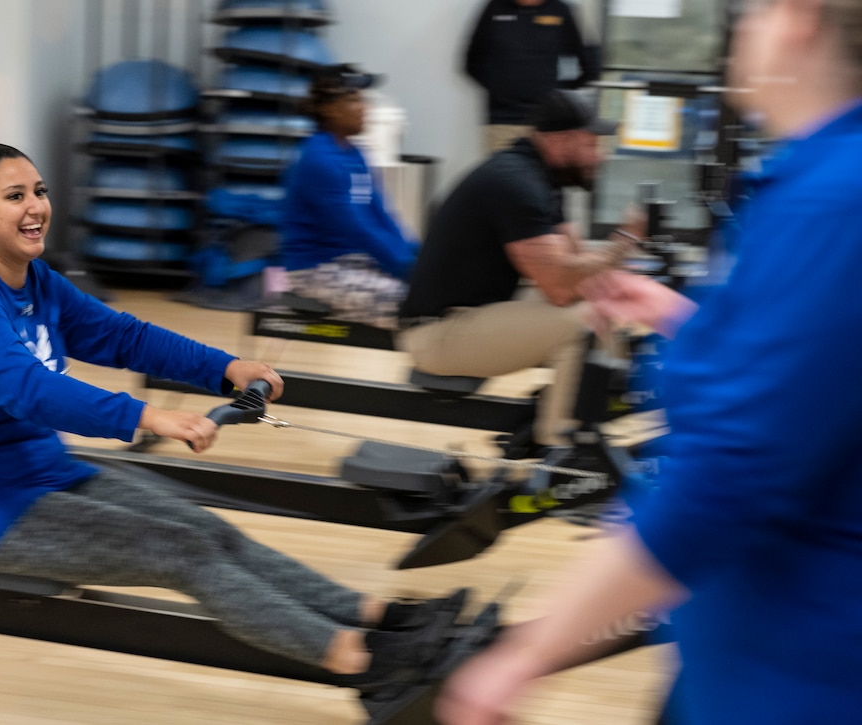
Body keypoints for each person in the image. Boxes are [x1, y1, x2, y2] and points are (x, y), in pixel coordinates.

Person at [0, 137, 467, 684]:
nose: (36, 208)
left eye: (40, 191)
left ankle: (377, 616)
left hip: (49, 474)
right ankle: (362, 663)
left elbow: (125, 336)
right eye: (15, 196)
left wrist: (226, 369)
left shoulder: (37, 282)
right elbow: (28, 390)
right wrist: (148, 417)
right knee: (182, 552)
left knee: (206, 530)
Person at [436, 0, 862, 722]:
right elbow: (806, 373)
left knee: (574, 322)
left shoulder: (834, 196)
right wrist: (671, 312)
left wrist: (529, 652)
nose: (736, 31)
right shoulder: (818, 180)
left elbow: (731, 469)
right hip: (743, 643)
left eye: (749, 13)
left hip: (795, 673)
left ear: (796, 18)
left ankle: (554, 446)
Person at [399, 89, 637, 450]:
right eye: (592, 144)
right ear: (561, 141)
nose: (600, 157)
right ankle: (563, 460)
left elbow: (577, 272)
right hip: (437, 334)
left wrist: (614, 265)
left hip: (471, 316)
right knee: (588, 324)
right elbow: (559, 285)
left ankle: (556, 425)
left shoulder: (545, 179)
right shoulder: (515, 182)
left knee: (599, 311)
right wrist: (623, 244)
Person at [281, 64, 419, 330]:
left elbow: (381, 215)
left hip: (351, 260)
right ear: (330, 109)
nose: (365, 107)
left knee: (432, 291)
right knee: (413, 304)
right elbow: (358, 230)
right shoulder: (318, 159)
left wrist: (419, 256)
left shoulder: (355, 154)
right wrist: (408, 269)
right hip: (314, 271)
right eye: (354, 99)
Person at [464, 0, 598, 153]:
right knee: (503, 174)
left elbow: (589, 67)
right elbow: (472, 63)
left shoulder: (560, 10)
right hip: (502, 123)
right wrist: (500, 90)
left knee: (543, 177)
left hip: (547, 128)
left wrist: (556, 96)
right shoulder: (494, 8)